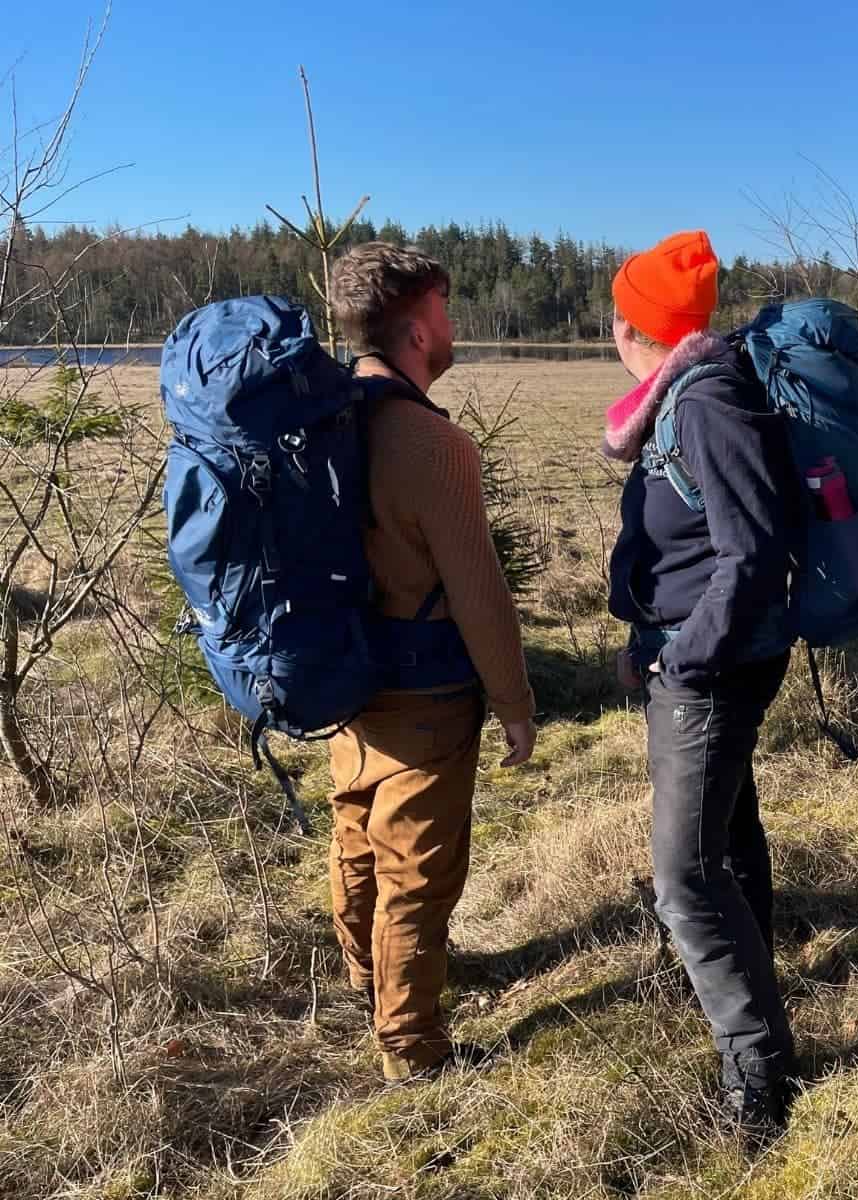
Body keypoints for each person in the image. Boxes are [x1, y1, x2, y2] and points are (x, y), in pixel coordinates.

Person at [602, 230, 807, 1134]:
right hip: (696, 650)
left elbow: (753, 552)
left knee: (684, 874)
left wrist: (683, 654)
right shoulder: (681, 398)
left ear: (632, 328)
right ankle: (753, 991)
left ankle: (758, 1073)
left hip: (712, 665)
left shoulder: (706, 402)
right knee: (726, 834)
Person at [325, 243, 537, 1084]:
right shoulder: (432, 443)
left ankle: (364, 978)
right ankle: (412, 1051)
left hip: (342, 676)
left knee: (354, 831)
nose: (453, 328)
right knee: (417, 868)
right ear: (417, 329)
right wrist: (515, 700)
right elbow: (478, 592)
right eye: (447, 311)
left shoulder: (328, 416)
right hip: (425, 689)